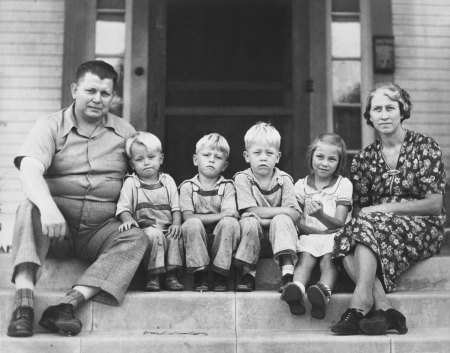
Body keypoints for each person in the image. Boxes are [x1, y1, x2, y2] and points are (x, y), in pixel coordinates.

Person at [7, 60, 149, 338]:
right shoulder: (49, 126)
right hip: (57, 227)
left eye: (105, 93)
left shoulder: (125, 132)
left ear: (113, 97)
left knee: (136, 238)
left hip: (100, 227)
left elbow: (145, 176)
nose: (97, 99)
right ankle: (23, 304)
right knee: (28, 207)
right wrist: (48, 208)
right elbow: (29, 170)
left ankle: (65, 306)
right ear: (75, 90)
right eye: (91, 91)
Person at [331, 83, 446, 335]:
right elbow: (361, 208)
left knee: (361, 226)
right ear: (369, 116)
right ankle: (384, 309)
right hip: (376, 228)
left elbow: (434, 205)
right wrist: (373, 215)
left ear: (402, 110)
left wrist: (383, 209)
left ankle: (360, 302)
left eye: (390, 108)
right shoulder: (363, 159)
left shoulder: (425, 147)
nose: (384, 115)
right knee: (344, 238)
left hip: (423, 226)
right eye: (377, 109)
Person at [282, 133, 352, 319]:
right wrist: (315, 231)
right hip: (310, 236)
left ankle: (322, 293)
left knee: (328, 262)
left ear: (339, 162)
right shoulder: (300, 186)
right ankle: (296, 290)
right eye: (320, 157)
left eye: (332, 159)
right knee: (305, 260)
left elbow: (339, 224)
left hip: (335, 237)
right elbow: (297, 221)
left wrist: (319, 215)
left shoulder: (343, 185)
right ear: (311, 156)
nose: (324, 163)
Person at [234, 122, 301, 292]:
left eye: (269, 153)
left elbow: (295, 215)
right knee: (250, 222)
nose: (263, 157)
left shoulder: (284, 179)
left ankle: (287, 276)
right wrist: (284, 211)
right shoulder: (242, 178)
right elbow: (250, 210)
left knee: (283, 220)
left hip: (280, 238)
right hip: (252, 236)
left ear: (277, 157)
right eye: (257, 152)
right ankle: (248, 274)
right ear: (247, 156)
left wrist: (267, 220)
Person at [116, 132, 184, 291]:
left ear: (160, 159)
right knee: (155, 235)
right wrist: (127, 219)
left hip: (167, 228)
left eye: (151, 157)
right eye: (139, 159)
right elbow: (123, 208)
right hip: (146, 230)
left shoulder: (167, 181)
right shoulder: (131, 183)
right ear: (132, 164)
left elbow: (176, 207)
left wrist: (176, 224)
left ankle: (172, 275)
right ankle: (153, 276)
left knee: (175, 237)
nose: (146, 163)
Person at [179, 133, 240, 291]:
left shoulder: (227, 186)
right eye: (206, 155)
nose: (211, 160)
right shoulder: (187, 187)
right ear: (195, 159)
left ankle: (220, 273)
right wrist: (220, 215)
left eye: (218, 157)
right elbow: (187, 217)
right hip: (196, 240)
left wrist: (224, 216)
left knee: (230, 223)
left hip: (220, 240)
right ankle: (201, 274)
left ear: (225, 166)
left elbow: (230, 214)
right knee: (192, 223)